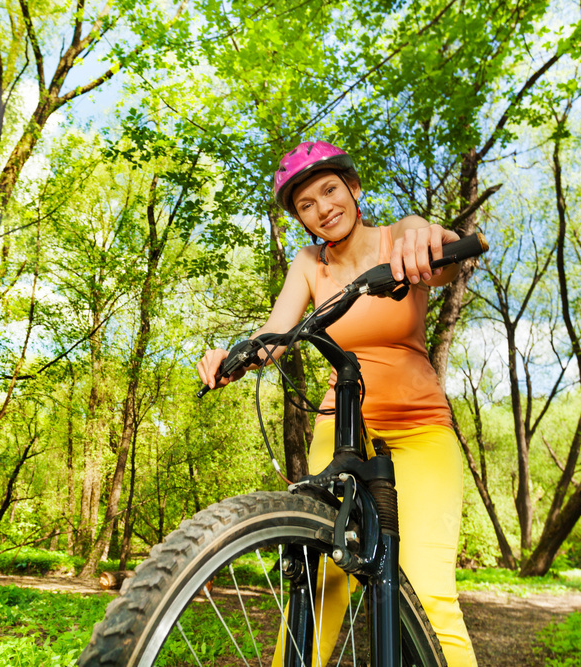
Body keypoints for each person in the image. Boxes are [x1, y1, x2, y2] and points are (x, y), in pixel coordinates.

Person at [196, 141, 478, 667]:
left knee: (428, 589)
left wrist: (429, 240)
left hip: (420, 427)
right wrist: (232, 355)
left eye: (330, 190)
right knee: (320, 583)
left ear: (353, 189)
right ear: (300, 219)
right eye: (306, 204)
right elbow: (276, 335)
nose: (323, 207)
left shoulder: (400, 235)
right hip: (341, 426)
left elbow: (436, 257)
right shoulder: (309, 264)